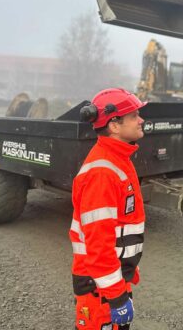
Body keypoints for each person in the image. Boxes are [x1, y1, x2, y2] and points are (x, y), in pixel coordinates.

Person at [70, 88, 147, 330]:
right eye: (134, 115)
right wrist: (116, 296)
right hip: (99, 286)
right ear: (114, 125)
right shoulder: (102, 173)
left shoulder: (117, 159)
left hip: (111, 279)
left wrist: (127, 271)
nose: (141, 119)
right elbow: (98, 244)